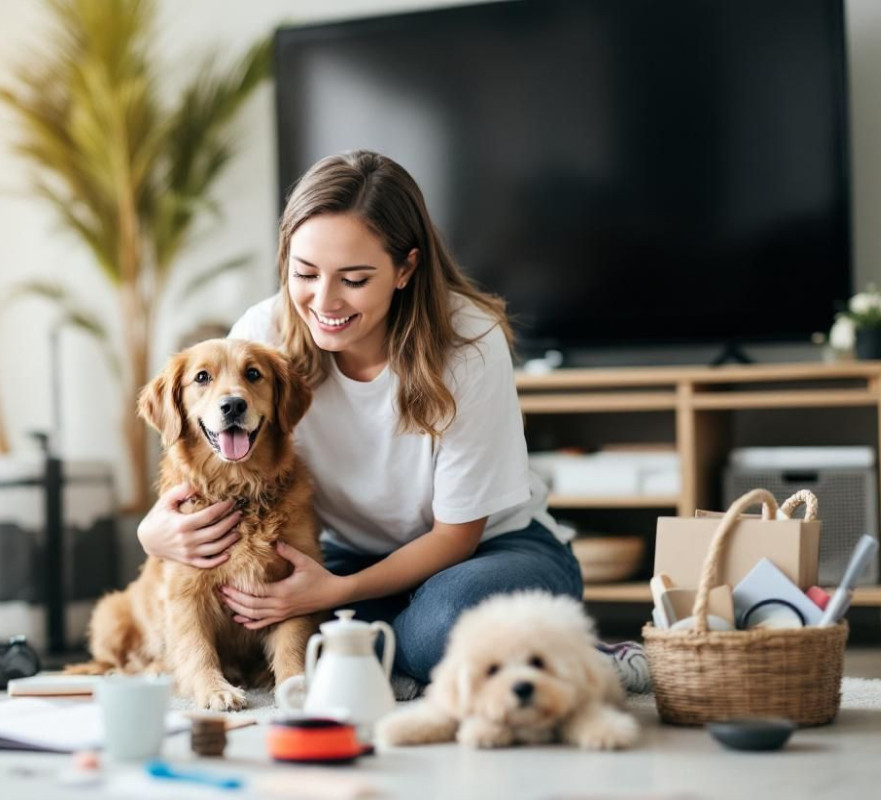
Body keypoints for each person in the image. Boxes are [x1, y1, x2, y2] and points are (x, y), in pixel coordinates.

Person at [135, 150, 582, 686]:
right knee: (280, 635)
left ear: (405, 268)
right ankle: (466, 657)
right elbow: (211, 460)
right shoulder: (262, 335)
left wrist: (337, 594)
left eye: (354, 278)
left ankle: (559, 654)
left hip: (487, 552)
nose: (323, 300)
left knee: (438, 629)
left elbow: (456, 537)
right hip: (344, 557)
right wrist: (153, 534)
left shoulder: (470, 343)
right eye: (304, 273)